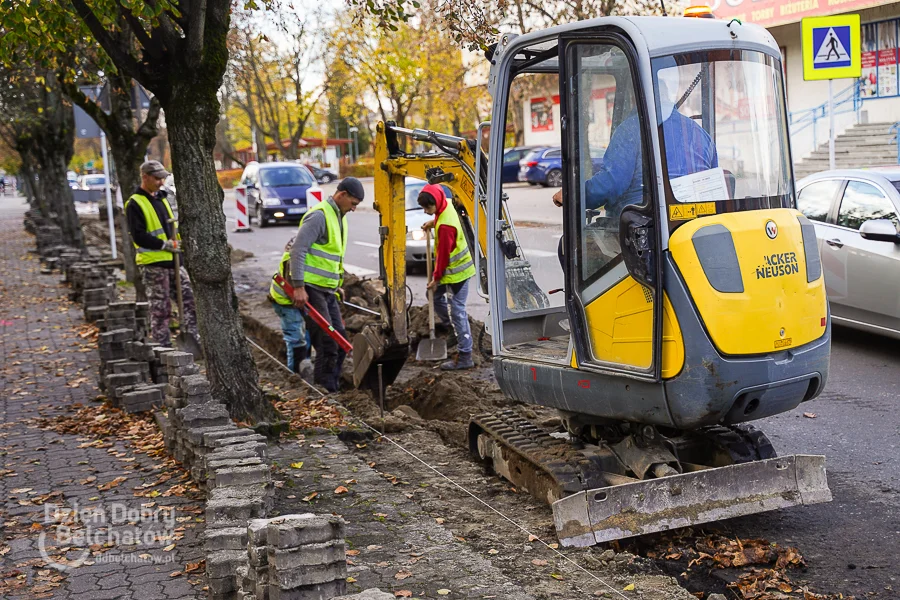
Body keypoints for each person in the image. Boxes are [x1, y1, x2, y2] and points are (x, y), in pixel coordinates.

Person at [289, 177, 364, 392]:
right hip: (311, 290)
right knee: (327, 343)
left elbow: (332, 256)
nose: (354, 209)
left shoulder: (338, 216)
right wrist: (299, 286)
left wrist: (336, 284)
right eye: (354, 203)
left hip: (327, 290)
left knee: (339, 341)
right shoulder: (319, 216)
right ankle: (325, 389)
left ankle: (332, 385)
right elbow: (298, 250)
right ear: (342, 195)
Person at [126, 160, 199, 347]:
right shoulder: (135, 203)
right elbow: (139, 236)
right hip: (153, 264)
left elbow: (171, 227)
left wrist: (179, 243)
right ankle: (162, 350)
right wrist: (163, 244)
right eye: (157, 178)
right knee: (161, 309)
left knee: (189, 301)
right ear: (145, 177)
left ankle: (193, 340)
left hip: (174, 261)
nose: (160, 182)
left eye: (162, 178)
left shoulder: (162, 198)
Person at [418, 183, 477, 371]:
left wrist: (436, 278)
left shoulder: (445, 228)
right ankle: (451, 328)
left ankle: (466, 355)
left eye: (428, 208)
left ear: (436, 202)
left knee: (457, 311)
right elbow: (443, 216)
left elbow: (443, 257)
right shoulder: (448, 204)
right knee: (433, 297)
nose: (426, 211)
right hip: (453, 271)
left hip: (457, 273)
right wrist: (432, 222)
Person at [268, 235, 313, 379]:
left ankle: (305, 365)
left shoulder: (298, 250)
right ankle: (295, 375)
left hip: (294, 302)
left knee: (305, 334)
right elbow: (294, 288)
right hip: (286, 303)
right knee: (296, 338)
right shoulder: (292, 259)